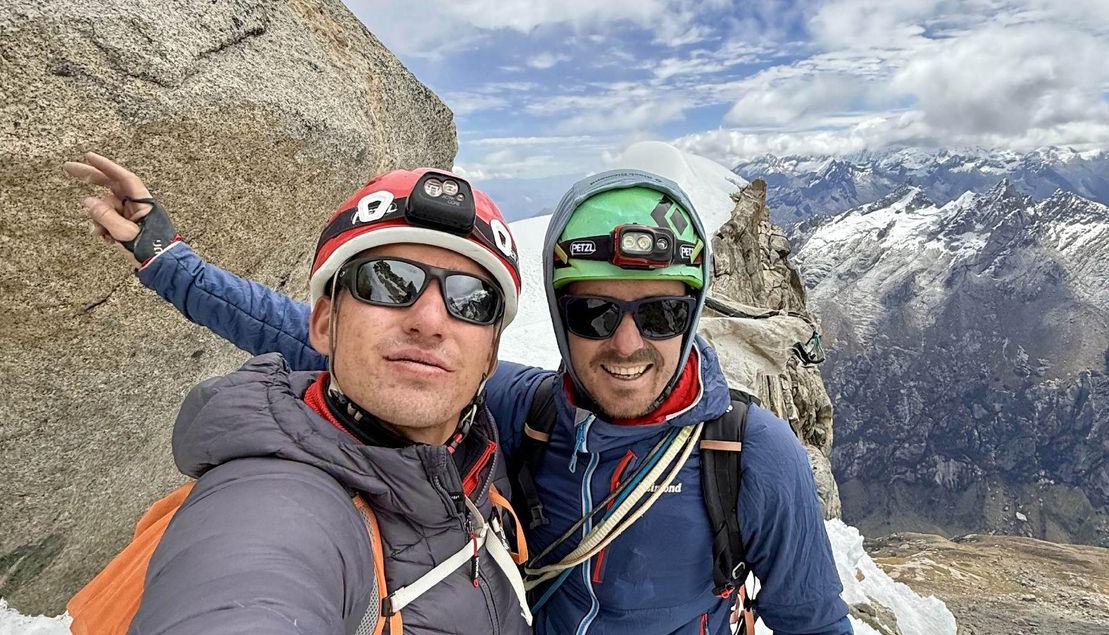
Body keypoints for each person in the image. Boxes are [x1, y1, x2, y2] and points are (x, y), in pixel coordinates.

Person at [74, 155, 853, 634]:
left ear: (691, 314)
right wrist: (167, 259)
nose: (625, 342)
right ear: (559, 317)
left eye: (659, 312)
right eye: (593, 310)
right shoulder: (521, 409)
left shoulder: (747, 456)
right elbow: (321, 339)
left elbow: (815, 622)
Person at [68, 154, 533, 634]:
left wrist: (167, 259)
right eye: (388, 283)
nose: (430, 321)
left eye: (471, 300)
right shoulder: (270, 505)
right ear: (325, 324)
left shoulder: (480, 437)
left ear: (491, 355)